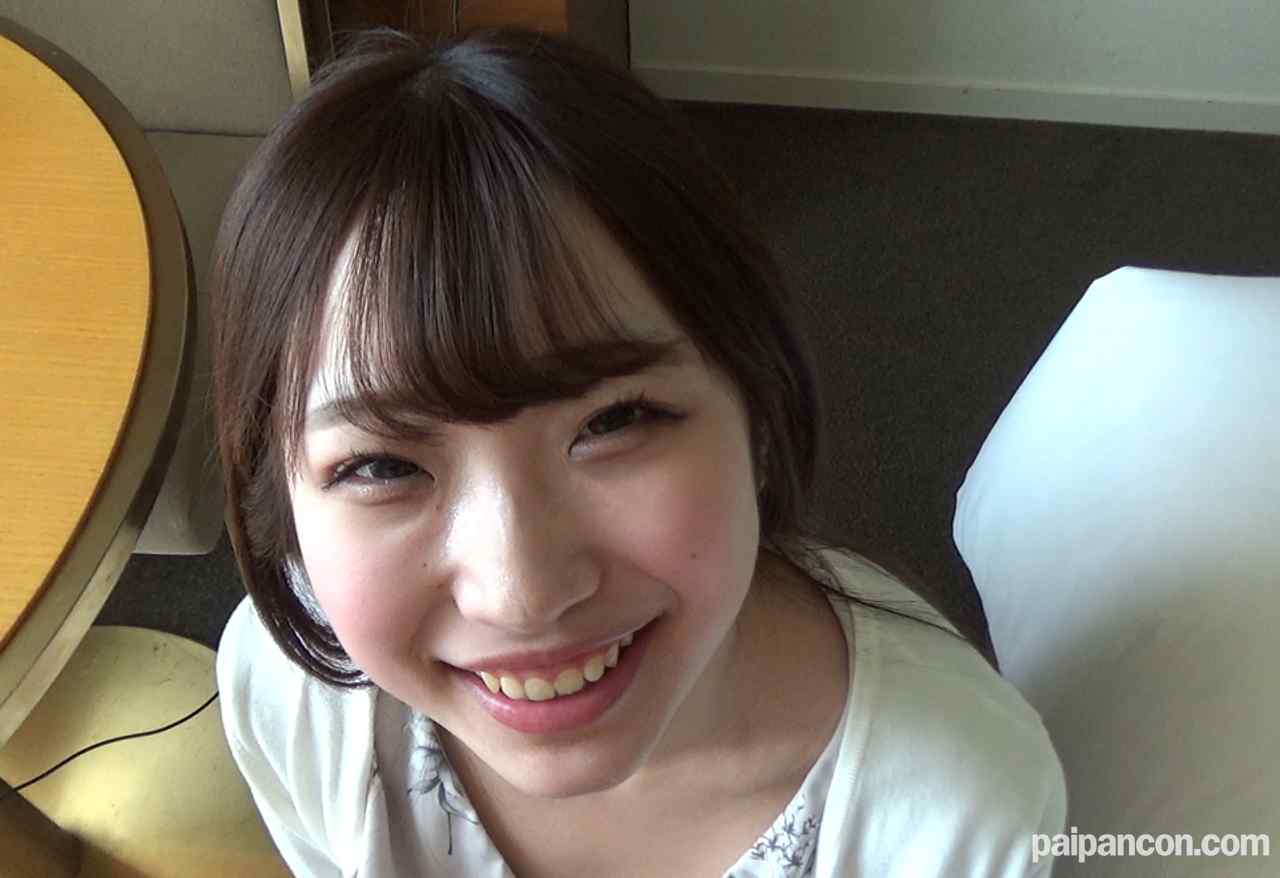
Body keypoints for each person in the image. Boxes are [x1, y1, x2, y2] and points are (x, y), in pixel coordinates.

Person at [210, 27, 1066, 877]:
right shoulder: (292, 698)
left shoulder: (959, 821)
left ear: (759, 408)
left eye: (615, 422)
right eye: (382, 466)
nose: (522, 594)